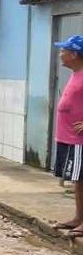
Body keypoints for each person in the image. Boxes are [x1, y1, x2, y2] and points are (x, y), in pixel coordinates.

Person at [52, 36, 83, 236]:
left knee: (82, 180)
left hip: (79, 140)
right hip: (67, 138)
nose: (60, 54)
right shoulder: (76, 74)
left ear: (74, 54)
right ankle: (78, 218)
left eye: (63, 50)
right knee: (77, 181)